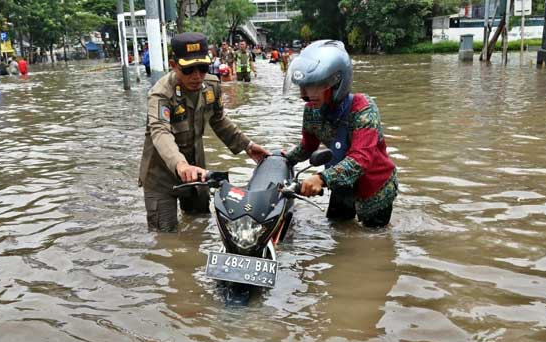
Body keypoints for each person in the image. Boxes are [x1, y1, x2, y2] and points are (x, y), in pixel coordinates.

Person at [139, 32, 270, 232]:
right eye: (189, 69)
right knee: (164, 237)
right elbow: (160, 132)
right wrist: (180, 165)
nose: (197, 76)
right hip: (161, 176)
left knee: (199, 224)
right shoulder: (161, 94)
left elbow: (219, 120)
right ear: (174, 66)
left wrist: (247, 145)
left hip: (196, 168)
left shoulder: (211, 86)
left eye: (202, 68)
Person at [285, 40, 397, 228]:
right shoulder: (312, 110)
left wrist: (321, 178)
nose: (303, 95)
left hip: (375, 189)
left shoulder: (364, 109)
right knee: (338, 232)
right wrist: (284, 159)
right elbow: (308, 146)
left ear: (336, 83)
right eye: (302, 87)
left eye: (312, 87)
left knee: (374, 242)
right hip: (340, 184)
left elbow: (360, 159)